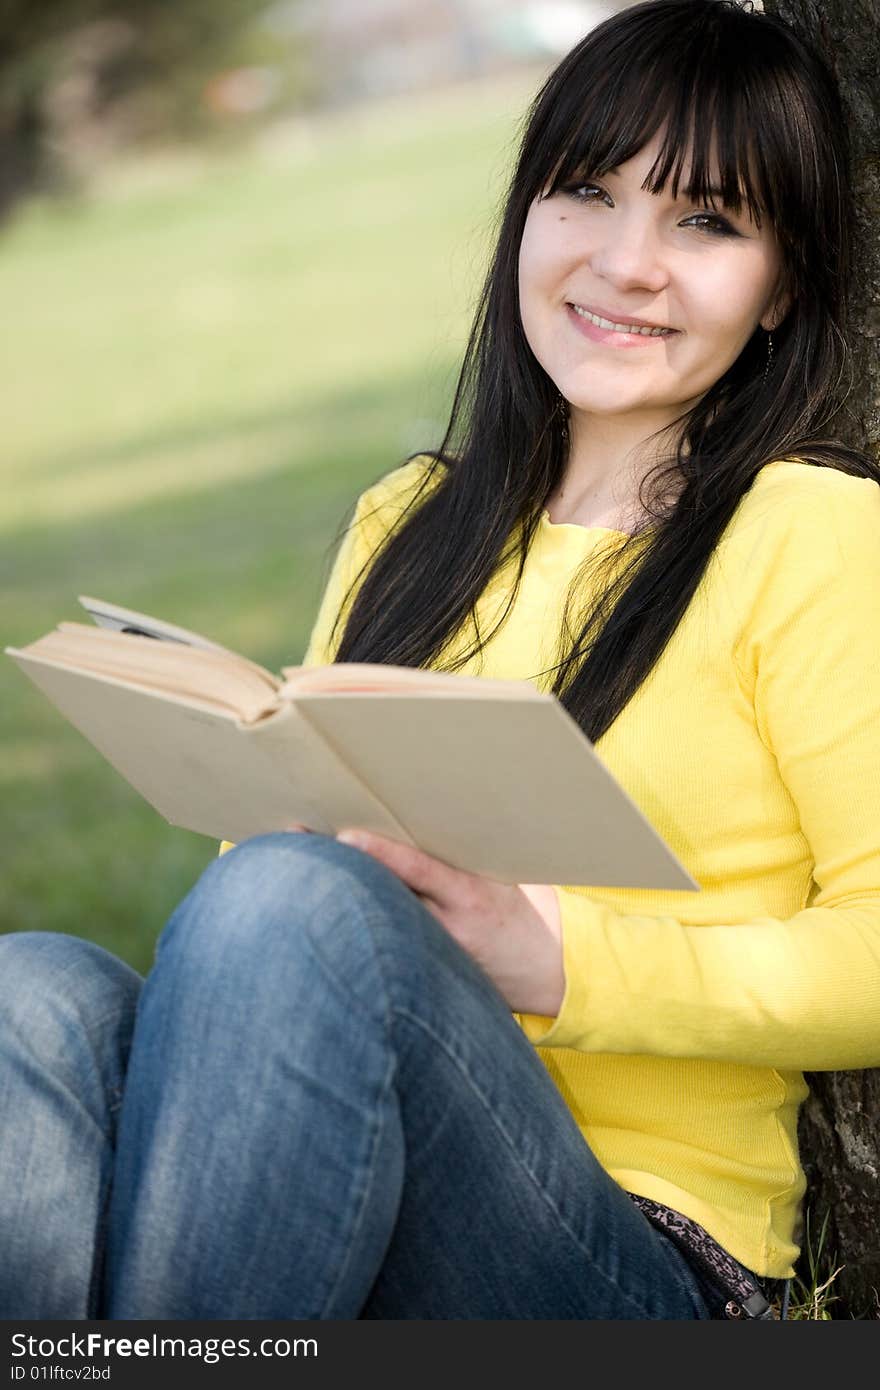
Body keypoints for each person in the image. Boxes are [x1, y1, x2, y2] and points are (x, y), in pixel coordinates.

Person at [2, 0, 879, 1320]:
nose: (627, 261)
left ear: (784, 288)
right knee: (35, 992)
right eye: (587, 192)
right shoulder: (412, 518)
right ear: (525, 216)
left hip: (627, 1242)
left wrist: (555, 959)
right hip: (351, 1143)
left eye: (706, 220)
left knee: (294, 906)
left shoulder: (810, 532)